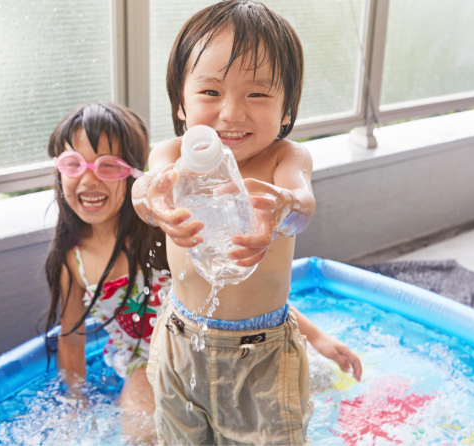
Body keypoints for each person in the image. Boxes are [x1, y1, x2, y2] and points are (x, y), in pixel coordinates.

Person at [132, 1, 361, 444]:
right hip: (181, 342)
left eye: (257, 94)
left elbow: (302, 206)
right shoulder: (171, 156)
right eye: (211, 93)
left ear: (286, 108)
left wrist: (282, 207)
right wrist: (152, 201)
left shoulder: (284, 158)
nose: (232, 113)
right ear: (181, 102)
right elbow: (144, 191)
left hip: (264, 355)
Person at [42, 102, 169, 444]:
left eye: (107, 166)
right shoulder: (74, 261)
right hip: (142, 364)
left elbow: (228, 290)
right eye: (73, 164)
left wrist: (315, 338)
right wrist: (76, 402)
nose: (88, 179)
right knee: (141, 432)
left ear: (133, 174)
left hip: (197, 346)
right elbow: (70, 339)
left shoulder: (159, 232)